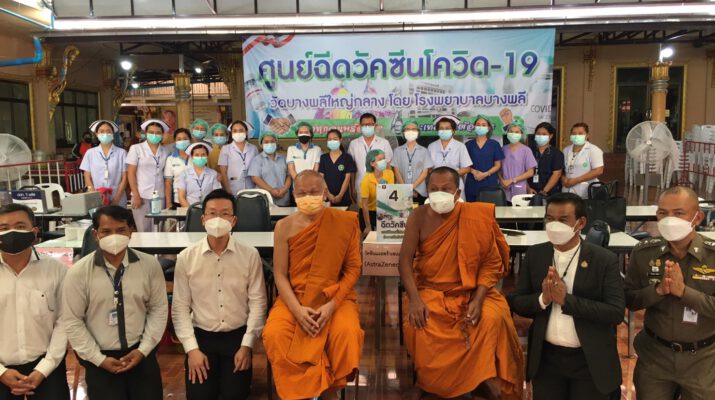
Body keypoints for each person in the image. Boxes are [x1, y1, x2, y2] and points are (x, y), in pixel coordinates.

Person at [399, 167, 523, 400]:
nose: (439, 194)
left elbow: (491, 262)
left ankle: (480, 378)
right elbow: (404, 261)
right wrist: (414, 299)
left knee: (492, 318)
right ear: (427, 191)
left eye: (445, 189)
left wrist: (478, 299)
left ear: (457, 192)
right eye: (433, 189)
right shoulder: (418, 216)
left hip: (473, 291)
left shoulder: (476, 216)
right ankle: (426, 381)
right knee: (421, 322)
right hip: (431, 290)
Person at [507, 193, 624, 400]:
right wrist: (542, 299)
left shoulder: (604, 260)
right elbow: (517, 301)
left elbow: (615, 312)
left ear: (581, 223)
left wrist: (566, 300)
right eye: (549, 219)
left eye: (563, 220)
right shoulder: (535, 255)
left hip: (589, 361)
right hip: (546, 360)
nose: (554, 225)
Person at [263, 171, 363, 400]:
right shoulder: (284, 226)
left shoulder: (345, 222)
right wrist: (297, 311)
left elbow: (353, 270)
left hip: (335, 297)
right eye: (302, 193)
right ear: (293, 195)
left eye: (314, 192)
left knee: (346, 332)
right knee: (274, 333)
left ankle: (329, 391)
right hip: (294, 297)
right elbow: (280, 274)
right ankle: (302, 392)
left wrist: (332, 306)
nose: (308, 197)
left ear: (325, 193)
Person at [61, 205, 168, 400]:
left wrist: (143, 350)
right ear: (95, 234)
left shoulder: (149, 265)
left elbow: (158, 309)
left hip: (141, 354)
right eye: (106, 231)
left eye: (121, 230)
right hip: (100, 359)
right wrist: (98, 359)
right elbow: (72, 320)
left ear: (131, 231)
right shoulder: (78, 273)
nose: (114, 236)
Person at [172, 189, 267, 400]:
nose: (218, 219)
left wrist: (247, 345)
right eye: (212, 213)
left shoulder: (250, 255)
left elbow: (258, 303)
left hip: (237, 337)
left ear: (234, 220)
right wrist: (191, 350)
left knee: (235, 395)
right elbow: (179, 308)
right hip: (202, 336)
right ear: (203, 219)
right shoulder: (186, 257)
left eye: (225, 214)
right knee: (199, 396)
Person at [626, 186, 715, 399]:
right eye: (662, 213)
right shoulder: (644, 252)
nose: (669, 219)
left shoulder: (712, 255)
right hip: (655, 358)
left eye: (678, 213)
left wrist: (684, 292)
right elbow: (630, 299)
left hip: (703, 361)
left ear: (698, 217)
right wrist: (658, 291)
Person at [0, 204, 69, 400]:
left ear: (35, 231)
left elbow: (65, 321)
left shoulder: (56, 270)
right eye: (4, 228)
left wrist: (44, 368)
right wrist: (1, 372)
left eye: (20, 226)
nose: (12, 233)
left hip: (48, 367)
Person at [126, 119, 170, 232]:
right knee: (143, 229)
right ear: (146, 133)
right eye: (151, 132)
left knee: (159, 229)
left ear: (162, 134)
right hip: (141, 195)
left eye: (158, 132)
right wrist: (136, 194)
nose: (154, 135)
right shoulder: (136, 148)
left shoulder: (165, 151)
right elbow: (131, 173)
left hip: (160, 195)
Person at [348, 112, 393, 204]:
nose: (367, 127)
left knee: (381, 211)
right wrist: (352, 188)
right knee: (363, 212)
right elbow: (352, 169)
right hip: (360, 186)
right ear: (360, 126)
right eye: (364, 125)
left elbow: (388, 166)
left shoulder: (384, 143)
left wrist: (389, 186)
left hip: (381, 186)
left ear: (375, 126)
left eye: (370, 124)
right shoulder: (354, 144)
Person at [81, 120, 128, 206]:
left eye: (108, 131)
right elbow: (87, 177)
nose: (105, 134)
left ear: (113, 134)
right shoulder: (90, 153)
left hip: (118, 198)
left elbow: (124, 178)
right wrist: (95, 196)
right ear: (96, 134)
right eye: (101, 131)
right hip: (96, 197)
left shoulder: (122, 153)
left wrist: (116, 200)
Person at [427, 116, 471, 200]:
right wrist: (438, 176)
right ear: (437, 130)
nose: (444, 131)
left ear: (453, 130)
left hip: (455, 184)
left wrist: (450, 176)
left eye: (447, 128)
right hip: (436, 185)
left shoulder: (460, 146)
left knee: (456, 205)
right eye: (441, 128)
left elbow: (467, 168)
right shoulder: (431, 146)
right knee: (438, 206)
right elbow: (428, 168)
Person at [464, 114, 504, 202]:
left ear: (488, 128)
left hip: (490, 183)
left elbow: (498, 165)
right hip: (472, 182)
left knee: (489, 208)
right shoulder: (468, 145)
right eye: (478, 125)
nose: (480, 127)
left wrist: (485, 174)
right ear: (474, 127)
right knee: (472, 208)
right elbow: (464, 164)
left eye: (483, 125)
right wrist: (474, 171)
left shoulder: (494, 144)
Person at [393, 121, 433, 205]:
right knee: (402, 213)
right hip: (401, 191)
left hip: (419, 192)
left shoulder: (424, 151)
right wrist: (406, 190)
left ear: (418, 132)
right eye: (407, 129)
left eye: (414, 129)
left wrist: (412, 188)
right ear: (403, 132)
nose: (410, 131)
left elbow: (425, 173)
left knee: (418, 213)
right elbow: (396, 172)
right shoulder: (397, 151)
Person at [247, 132, 291, 206]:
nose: (269, 144)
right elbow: (255, 178)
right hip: (265, 199)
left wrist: (284, 189)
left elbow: (289, 175)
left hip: (283, 198)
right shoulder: (257, 160)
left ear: (276, 143)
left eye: (272, 141)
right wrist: (271, 190)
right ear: (261, 145)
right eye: (266, 142)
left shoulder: (283, 158)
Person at [562, 122, 603, 199]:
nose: (576, 136)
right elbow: (561, 169)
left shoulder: (593, 150)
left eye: (580, 133)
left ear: (587, 135)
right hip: (567, 190)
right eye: (574, 133)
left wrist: (576, 180)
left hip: (586, 192)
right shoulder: (566, 150)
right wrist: (563, 179)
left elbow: (598, 171)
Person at [360, 149, 395, 236]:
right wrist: (368, 226)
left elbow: (390, 196)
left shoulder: (390, 174)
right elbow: (364, 205)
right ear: (372, 163)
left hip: (384, 210)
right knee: (370, 238)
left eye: (384, 158)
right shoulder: (366, 180)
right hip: (369, 212)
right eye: (380, 159)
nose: (384, 161)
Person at [175, 143, 222, 208]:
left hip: (209, 210)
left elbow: (217, 196)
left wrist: (209, 210)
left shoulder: (213, 174)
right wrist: (190, 211)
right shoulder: (184, 174)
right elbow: (181, 197)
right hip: (189, 210)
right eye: (197, 155)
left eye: (203, 154)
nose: (200, 157)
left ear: (207, 156)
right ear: (192, 157)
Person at [318, 129, 356, 207]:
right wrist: (328, 194)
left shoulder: (347, 157)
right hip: (327, 199)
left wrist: (340, 195)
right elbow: (321, 178)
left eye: (335, 139)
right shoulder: (323, 158)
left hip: (343, 198)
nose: (332, 141)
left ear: (340, 140)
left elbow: (347, 179)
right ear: (327, 141)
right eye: (330, 139)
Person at [219, 120, 259, 196]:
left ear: (246, 132)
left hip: (251, 187)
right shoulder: (225, 149)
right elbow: (223, 172)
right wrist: (228, 190)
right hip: (233, 188)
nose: (238, 133)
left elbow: (257, 169)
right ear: (231, 133)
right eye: (235, 131)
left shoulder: (253, 148)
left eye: (241, 130)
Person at [499, 123, 537, 202]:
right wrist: (502, 181)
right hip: (504, 189)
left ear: (521, 134)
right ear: (507, 133)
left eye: (517, 132)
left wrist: (512, 180)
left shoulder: (526, 150)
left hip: (519, 190)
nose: (513, 134)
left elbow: (530, 172)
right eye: (511, 131)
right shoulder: (502, 149)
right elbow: (498, 168)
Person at [528, 122, 565, 197]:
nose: (540, 136)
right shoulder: (528, 151)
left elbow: (556, 174)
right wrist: (528, 188)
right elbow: (522, 171)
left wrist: (544, 191)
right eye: (538, 133)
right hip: (530, 191)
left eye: (544, 134)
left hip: (550, 193)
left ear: (551, 136)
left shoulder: (557, 153)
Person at [163, 128, 191, 209]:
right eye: (179, 139)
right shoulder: (171, 159)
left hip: (195, 199)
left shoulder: (196, 157)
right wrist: (168, 203)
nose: (182, 141)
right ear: (175, 141)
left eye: (185, 139)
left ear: (190, 140)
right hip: (177, 200)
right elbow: (168, 182)